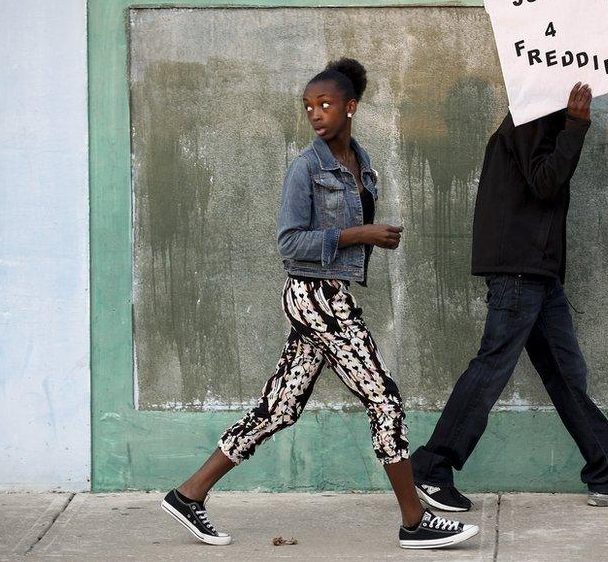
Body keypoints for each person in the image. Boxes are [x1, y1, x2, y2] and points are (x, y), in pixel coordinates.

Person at [161, 58, 480, 550]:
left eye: (326, 104)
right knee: (384, 398)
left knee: (280, 408)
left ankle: (189, 493)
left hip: (330, 292)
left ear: (351, 107)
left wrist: (369, 238)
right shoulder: (305, 167)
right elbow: (289, 245)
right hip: (315, 295)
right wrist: (361, 234)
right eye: (309, 106)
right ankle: (414, 521)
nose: (316, 113)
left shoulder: (362, 161)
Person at [410, 82, 608, 512]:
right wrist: (577, 125)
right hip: (520, 272)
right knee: (493, 366)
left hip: (537, 272)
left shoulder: (538, 118)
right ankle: (431, 467)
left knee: (565, 372)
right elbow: (545, 183)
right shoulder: (531, 116)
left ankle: (604, 471)